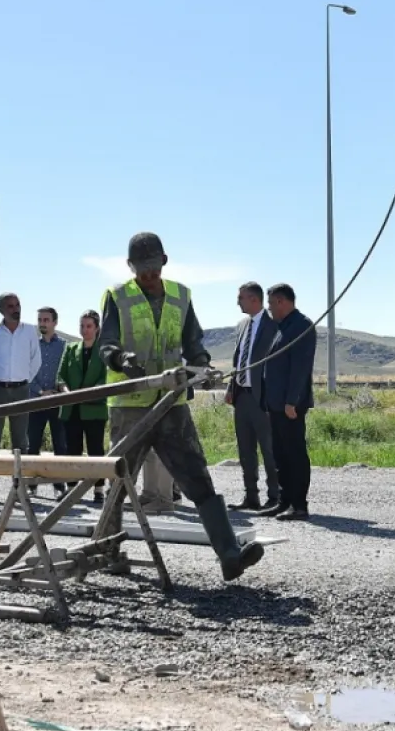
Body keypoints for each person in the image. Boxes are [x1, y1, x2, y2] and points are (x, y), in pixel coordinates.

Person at [98, 231, 264, 581]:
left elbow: (193, 342)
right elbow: (106, 343)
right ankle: (108, 553)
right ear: (130, 266)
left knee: (197, 475)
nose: (147, 276)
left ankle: (229, 554)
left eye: (152, 268)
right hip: (131, 405)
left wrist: (201, 366)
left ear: (164, 261)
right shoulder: (117, 297)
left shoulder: (180, 296)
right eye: (141, 269)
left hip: (172, 404)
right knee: (119, 481)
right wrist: (121, 358)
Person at [257, 284, 317, 521]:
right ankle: (284, 500)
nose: (269, 308)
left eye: (271, 303)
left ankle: (299, 505)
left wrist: (292, 400)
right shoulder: (283, 327)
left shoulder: (302, 326)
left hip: (290, 404)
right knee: (280, 453)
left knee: (294, 453)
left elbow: (300, 368)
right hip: (276, 403)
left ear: (282, 302)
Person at [0, 292, 41, 503]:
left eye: (18, 305)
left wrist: (23, 380)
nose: (15, 309)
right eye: (10, 306)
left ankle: (20, 491)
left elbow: (36, 360)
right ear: (2, 309)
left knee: (21, 443)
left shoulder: (30, 331)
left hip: (21, 390)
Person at [225, 281, 280, 510]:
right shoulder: (242, 325)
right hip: (242, 397)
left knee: (269, 449)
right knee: (245, 448)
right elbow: (239, 359)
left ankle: (275, 497)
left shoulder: (274, 325)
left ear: (254, 299)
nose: (238, 302)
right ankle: (251, 496)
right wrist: (231, 388)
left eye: (241, 297)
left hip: (263, 398)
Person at [56, 310, 108, 504]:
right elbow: (60, 376)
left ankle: (99, 488)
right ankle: (72, 488)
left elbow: (106, 378)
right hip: (72, 409)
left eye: (88, 326)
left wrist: (90, 393)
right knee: (72, 449)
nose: (84, 330)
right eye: (82, 326)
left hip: (94, 408)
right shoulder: (70, 349)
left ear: (97, 329)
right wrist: (66, 391)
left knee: (96, 450)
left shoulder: (103, 351)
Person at [24, 307, 68, 463]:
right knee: (32, 446)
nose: (42, 323)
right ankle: (32, 485)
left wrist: (58, 391)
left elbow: (66, 373)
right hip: (36, 401)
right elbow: (27, 373)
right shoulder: (31, 346)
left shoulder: (64, 346)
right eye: (40, 320)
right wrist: (42, 392)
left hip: (58, 402)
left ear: (55, 322)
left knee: (61, 445)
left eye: (46, 320)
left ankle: (59, 485)